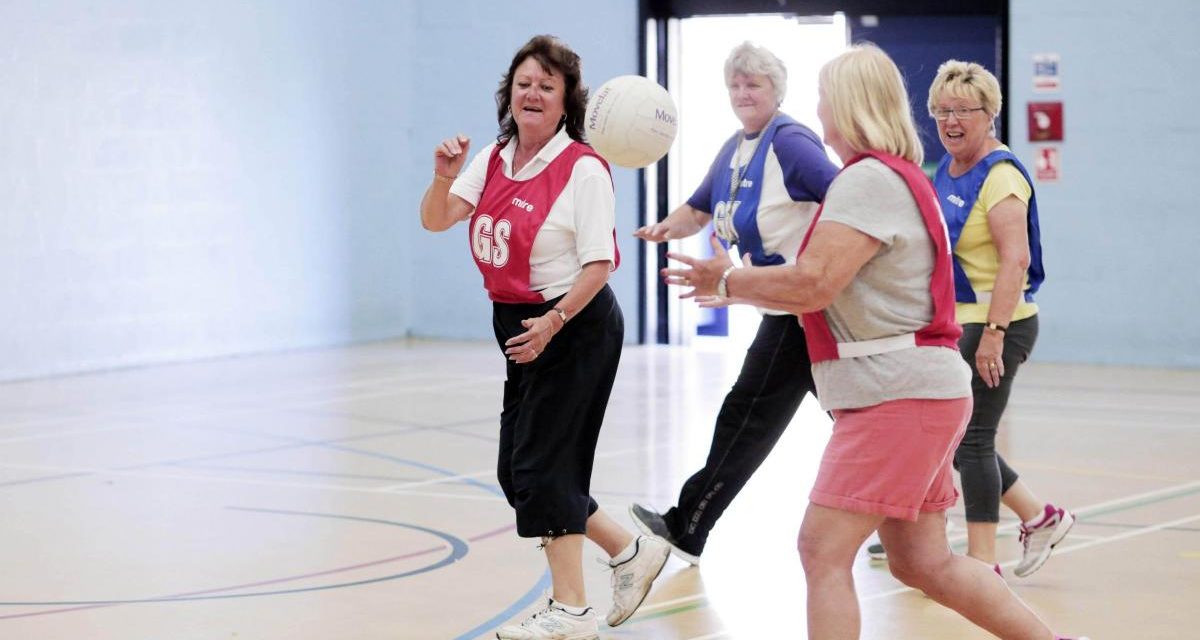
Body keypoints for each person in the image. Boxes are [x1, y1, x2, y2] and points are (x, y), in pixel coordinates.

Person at [661, 44, 1087, 640]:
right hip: (919, 392)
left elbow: (813, 283)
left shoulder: (866, 181)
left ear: (849, 106)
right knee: (923, 562)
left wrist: (729, 279)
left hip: (898, 397)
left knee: (821, 549)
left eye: (824, 99)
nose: (818, 111)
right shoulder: (897, 176)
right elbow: (818, 291)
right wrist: (740, 286)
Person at [418, 34, 668, 640]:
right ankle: (631, 552)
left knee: (545, 466)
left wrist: (554, 325)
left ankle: (572, 610)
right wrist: (441, 177)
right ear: (510, 92)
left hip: (573, 324)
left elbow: (600, 265)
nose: (533, 93)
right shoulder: (496, 156)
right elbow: (437, 218)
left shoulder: (582, 168)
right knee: (515, 473)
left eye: (547, 86)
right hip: (517, 325)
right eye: (525, 82)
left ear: (565, 102)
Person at [628, 41, 839, 565]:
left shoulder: (791, 144)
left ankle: (687, 527)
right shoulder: (735, 148)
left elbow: (847, 197)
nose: (743, 93)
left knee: (745, 418)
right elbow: (699, 210)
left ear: (777, 90)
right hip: (783, 310)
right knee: (866, 419)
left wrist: (818, 264)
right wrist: (661, 228)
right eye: (736, 85)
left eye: (755, 85)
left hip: (804, 311)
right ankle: (942, 497)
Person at [867, 60, 1074, 579]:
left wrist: (995, 337)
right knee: (955, 436)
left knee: (974, 438)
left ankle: (983, 564)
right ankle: (1039, 517)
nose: (950, 121)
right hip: (958, 324)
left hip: (998, 324)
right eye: (941, 111)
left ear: (990, 115)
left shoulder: (1000, 176)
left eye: (963, 110)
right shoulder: (947, 170)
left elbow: (1016, 260)